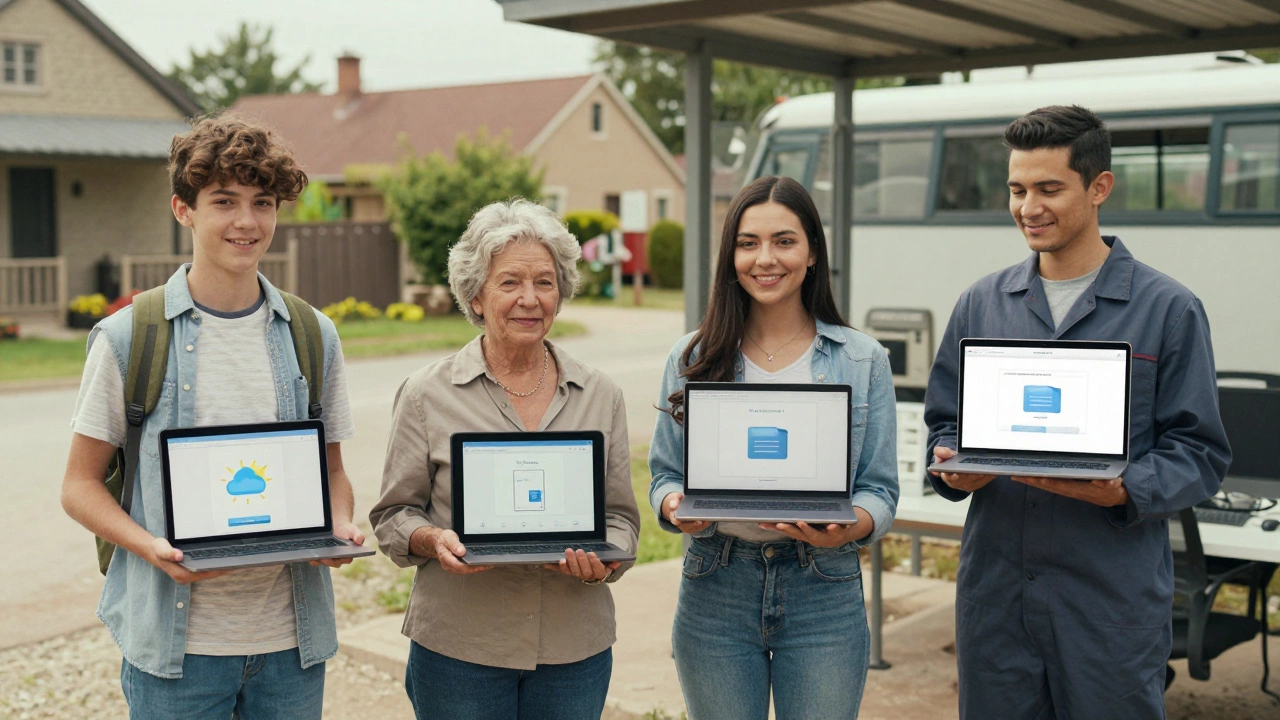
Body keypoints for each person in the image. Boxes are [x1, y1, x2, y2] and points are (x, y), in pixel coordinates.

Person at [925, 105, 1232, 718]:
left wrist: (1121, 489)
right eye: (1016, 189)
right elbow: (944, 422)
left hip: (1108, 604)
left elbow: (1201, 453)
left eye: (1048, 188)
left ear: (1099, 188)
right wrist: (951, 466)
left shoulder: (1168, 309)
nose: (1027, 207)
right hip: (998, 601)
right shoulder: (981, 304)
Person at [59, 113, 362, 718]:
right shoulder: (129, 337)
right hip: (178, 655)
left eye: (263, 201)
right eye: (224, 200)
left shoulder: (312, 334)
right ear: (183, 209)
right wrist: (152, 548)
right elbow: (78, 487)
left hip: (291, 647)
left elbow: (332, 473)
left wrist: (340, 525)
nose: (246, 222)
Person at [369, 199, 641, 720]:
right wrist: (432, 539)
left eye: (545, 282)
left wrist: (603, 561)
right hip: (460, 648)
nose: (529, 299)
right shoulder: (427, 394)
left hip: (573, 649)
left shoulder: (600, 395)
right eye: (510, 282)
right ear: (475, 295)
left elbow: (623, 520)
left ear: (561, 292)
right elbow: (392, 517)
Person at [648, 175, 899, 720]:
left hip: (824, 588)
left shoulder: (862, 359)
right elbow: (665, 475)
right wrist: (675, 508)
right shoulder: (691, 356)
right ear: (730, 255)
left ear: (812, 253)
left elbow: (879, 489)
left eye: (784, 241)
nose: (766, 258)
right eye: (748, 243)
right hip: (716, 583)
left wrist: (849, 525)